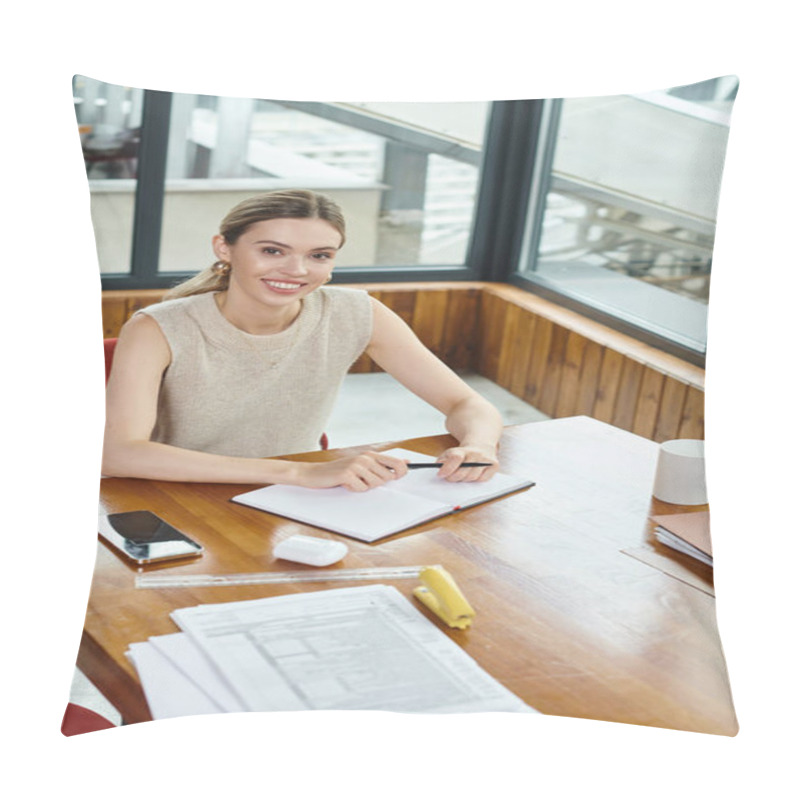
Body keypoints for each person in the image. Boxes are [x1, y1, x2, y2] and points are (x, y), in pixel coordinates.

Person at [102, 189, 504, 492]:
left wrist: (479, 445)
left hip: (300, 497)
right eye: (273, 250)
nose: (296, 270)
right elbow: (117, 453)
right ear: (224, 248)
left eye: (319, 255)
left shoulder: (357, 313)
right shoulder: (156, 327)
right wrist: (299, 471)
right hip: (176, 494)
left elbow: (465, 403)